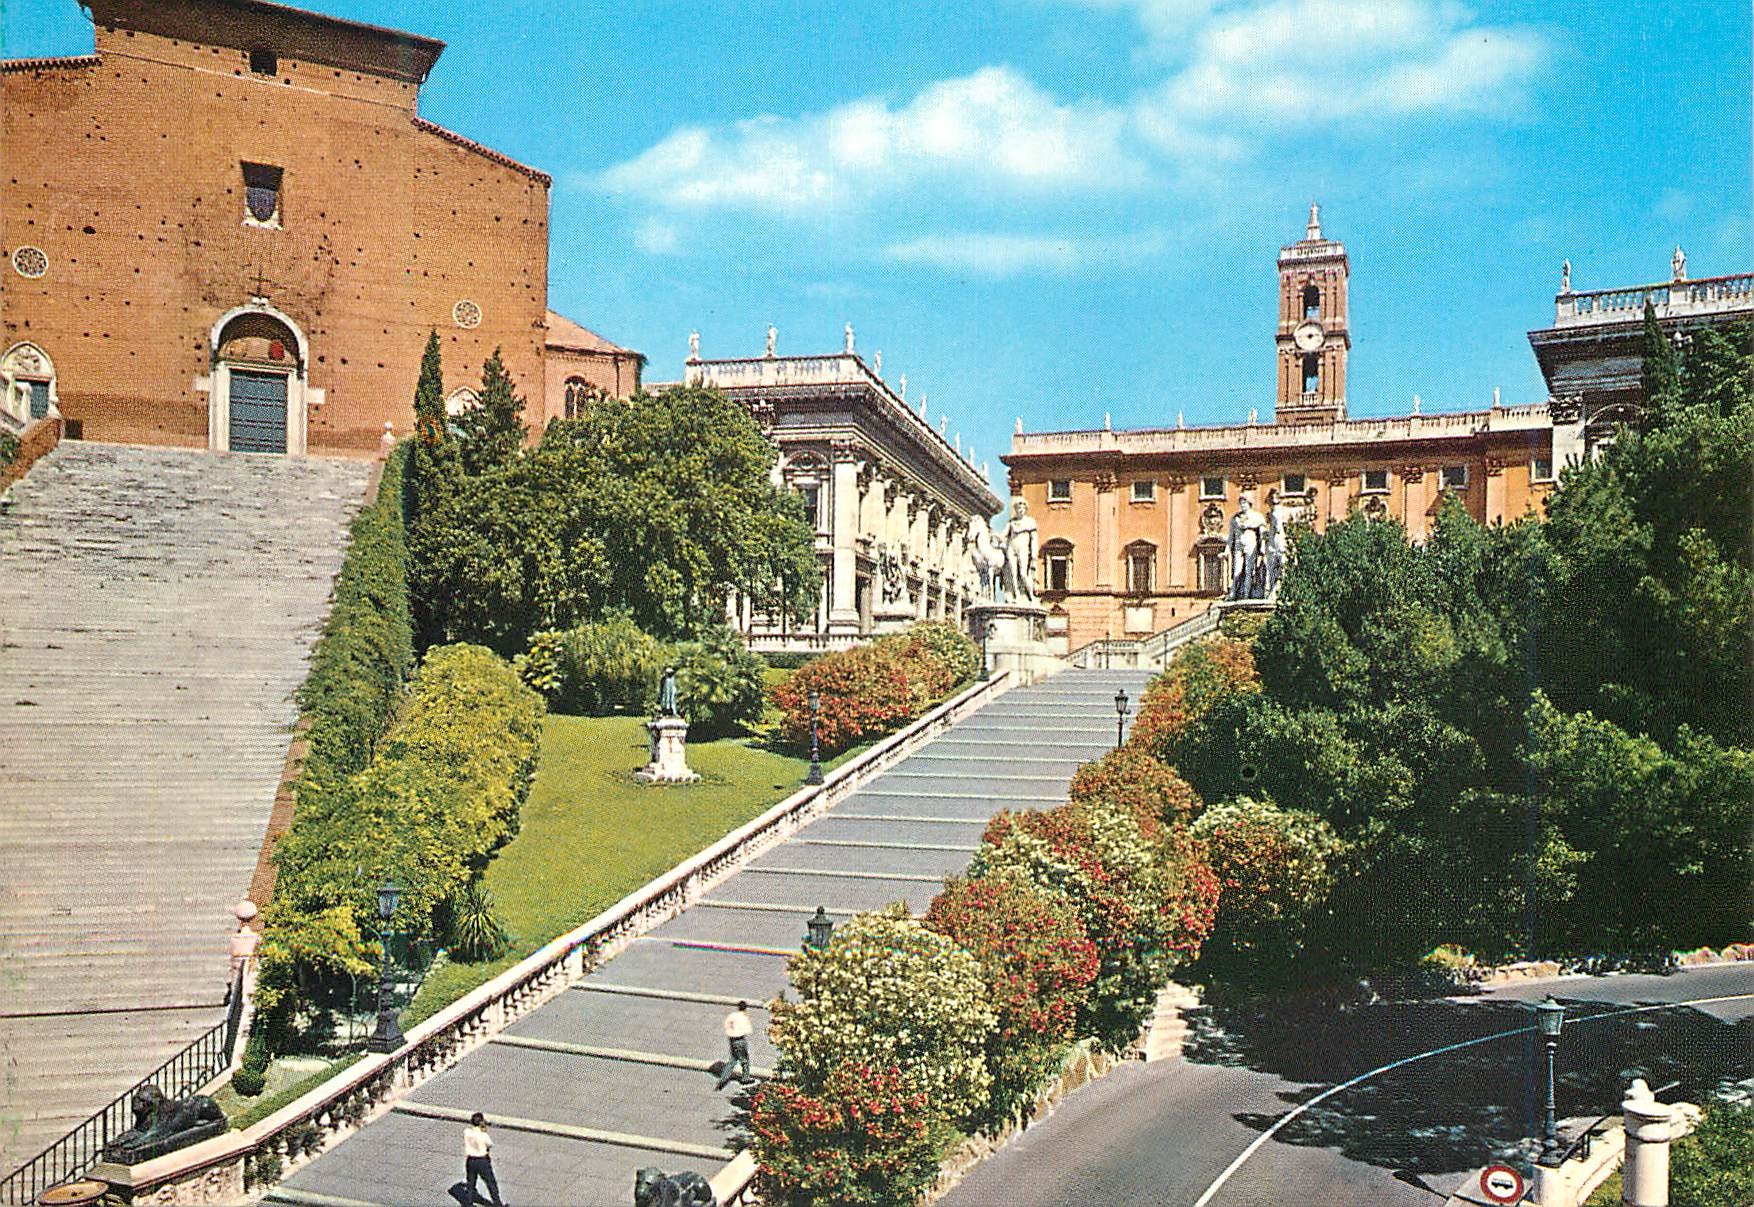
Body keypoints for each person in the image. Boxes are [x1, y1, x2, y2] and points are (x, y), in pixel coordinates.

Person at [463, 1112, 504, 1207]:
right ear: (481, 1122)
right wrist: (483, 1129)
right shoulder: (483, 1135)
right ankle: (497, 1203)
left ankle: (468, 1203)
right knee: (490, 1182)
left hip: (470, 1160)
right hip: (482, 1160)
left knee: (471, 1182)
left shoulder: (467, 1132)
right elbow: (489, 1144)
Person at [715, 1001, 754, 1090]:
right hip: (740, 1040)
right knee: (744, 1060)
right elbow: (748, 1030)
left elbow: (726, 1024)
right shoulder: (743, 1017)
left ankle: (723, 1078)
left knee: (733, 1059)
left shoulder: (732, 1015)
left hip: (732, 1040)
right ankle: (745, 1077)